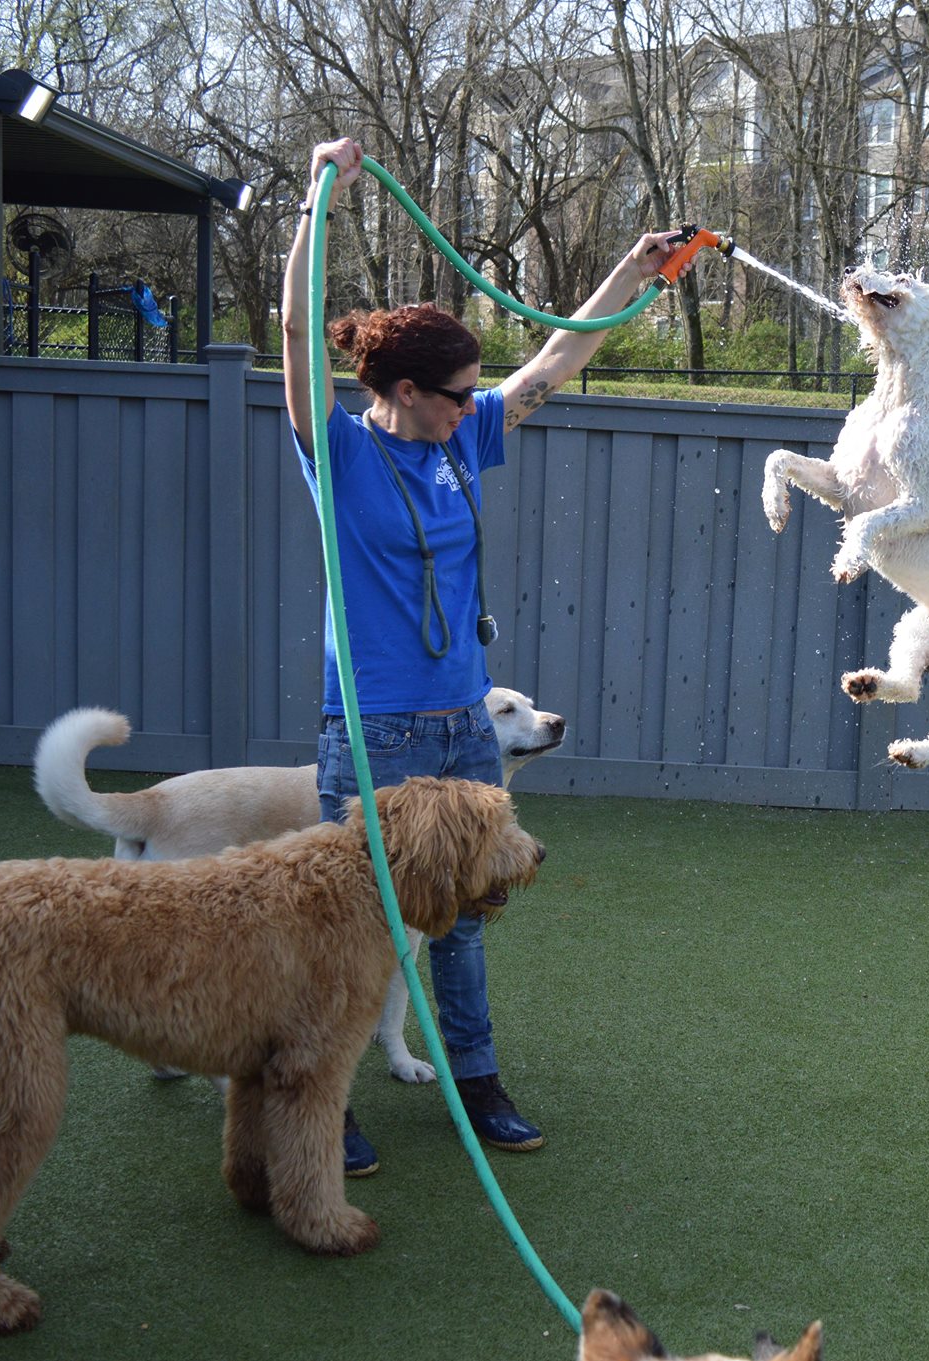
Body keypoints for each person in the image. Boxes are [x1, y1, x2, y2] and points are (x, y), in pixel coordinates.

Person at [280, 137, 693, 1176]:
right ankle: (324, 1098)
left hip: (463, 721)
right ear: (403, 388)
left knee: (466, 914)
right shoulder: (338, 448)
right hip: (372, 729)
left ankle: (476, 1078)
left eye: (475, 394)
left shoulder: (460, 440)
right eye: (459, 394)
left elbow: (553, 361)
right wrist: (317, 200)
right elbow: (292, 331)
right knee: (353, 923)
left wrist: (633, 271)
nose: (476, 407)